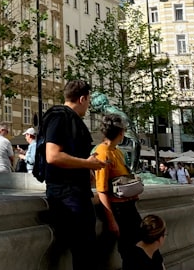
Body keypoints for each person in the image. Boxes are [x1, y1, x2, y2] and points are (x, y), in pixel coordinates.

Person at [42, 79, 105, 270]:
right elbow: (52, 156)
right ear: (83, 98)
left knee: (85, 252)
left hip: (75, 193)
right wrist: (87, 163)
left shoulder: (69, 118)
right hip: (68, 196)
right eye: (89, 100)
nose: (88, 105)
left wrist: (88, 167)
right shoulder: (60, 116)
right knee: (84, 252)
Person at [93, 113, 142, 266]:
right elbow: (102, 189)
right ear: (121, 133)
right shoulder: (103, 152)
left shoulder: (117, 151)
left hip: (128, 206)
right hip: (119, 209)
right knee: (129, 250)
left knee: (137, 246)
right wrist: (111, 220)